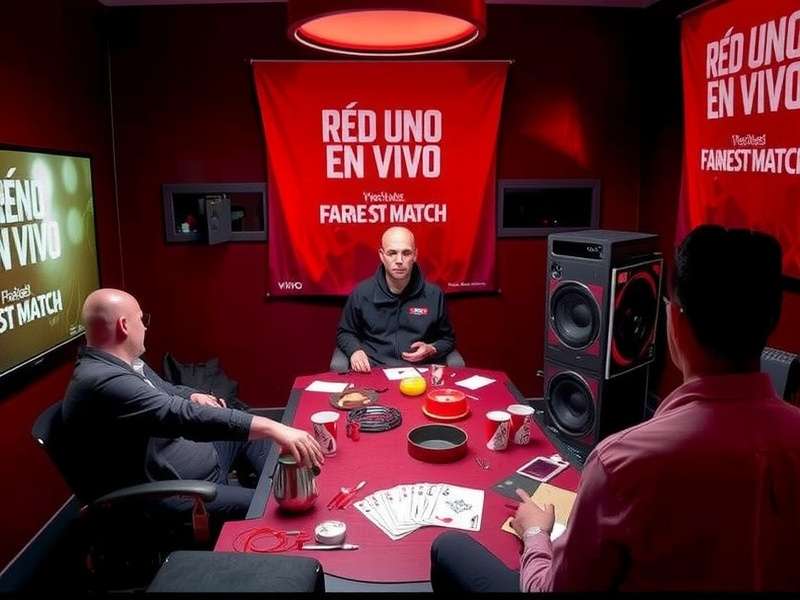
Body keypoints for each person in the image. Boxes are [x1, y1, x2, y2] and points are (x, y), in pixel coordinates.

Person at [431, 225, 800, 591]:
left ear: (675, 321)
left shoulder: (621, 461)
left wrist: (535, 535)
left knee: (449, 547)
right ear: (773, 320)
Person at [62, 288, 323, 525]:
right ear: (124, 326)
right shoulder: (104, 381)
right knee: (270, 508)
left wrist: (193, 394)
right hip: (178, 491)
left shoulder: (121, 363)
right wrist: (274, 427)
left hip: (197, 461)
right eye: (141, 320)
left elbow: (169, 390)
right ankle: (265, 505)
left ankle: (275, 485)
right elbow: (179, 415)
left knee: (249, 429)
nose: (145, 327)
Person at [336, 226, 456, 372]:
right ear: (381, 255)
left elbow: (447, 339)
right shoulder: (362, 293)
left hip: (419, 372)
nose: (399, 260)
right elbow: (345, 332)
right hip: (374, 370)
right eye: (392, 253)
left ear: (415, 255)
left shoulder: (434, 295)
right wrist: (355, 350)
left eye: (406, 253)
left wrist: (432, 348)